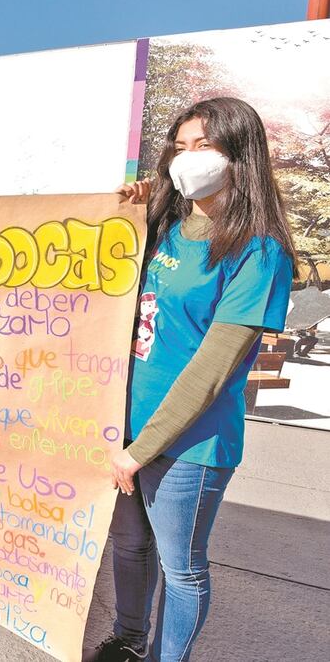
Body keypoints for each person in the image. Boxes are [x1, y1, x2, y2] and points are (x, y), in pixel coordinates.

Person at [87, 97, 296, 662]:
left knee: (181, 567)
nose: (188, 159)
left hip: (190, 446)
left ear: (239, 154)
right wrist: (132, 204)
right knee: (129, 547)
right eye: (179, 147)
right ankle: (129, 642)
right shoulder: (161, 225)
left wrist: (140, 452)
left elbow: (213, 370)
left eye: (204, 146)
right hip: (123, 432)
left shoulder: (260, 252)